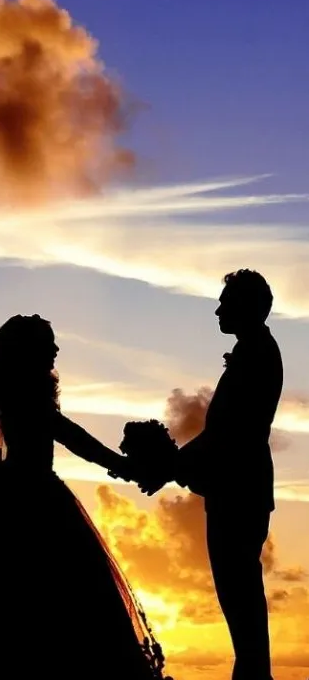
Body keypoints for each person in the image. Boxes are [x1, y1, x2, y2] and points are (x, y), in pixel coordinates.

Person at [0, 315, 171, 679]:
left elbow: (71, 435)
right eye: (49, 343)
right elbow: (72, 436)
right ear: (29, 351)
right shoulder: (24, 393)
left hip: (26, 495)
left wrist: (122, 465)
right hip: (33, 503)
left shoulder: (25, 391)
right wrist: (123, 466)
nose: (56, 349)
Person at [132, 270, 282, 680]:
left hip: (239, 491)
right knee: (240, 599)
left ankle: (253, 677)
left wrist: (169, 465)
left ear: (247, 307)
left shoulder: (256, 355)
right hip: (237, 489)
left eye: (225, 301)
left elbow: (227, 435)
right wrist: (174, 465)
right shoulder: (255, 351)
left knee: (241, 598)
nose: (218, 309)